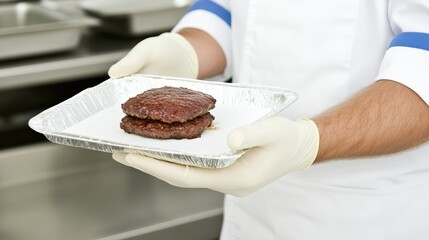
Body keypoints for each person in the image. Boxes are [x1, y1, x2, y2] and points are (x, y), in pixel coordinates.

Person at [108, 0, 429, 239]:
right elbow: (228, 13)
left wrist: (308, 143)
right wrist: (185, 51)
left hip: (362, 216)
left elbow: (422, 73)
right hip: (252, 210)